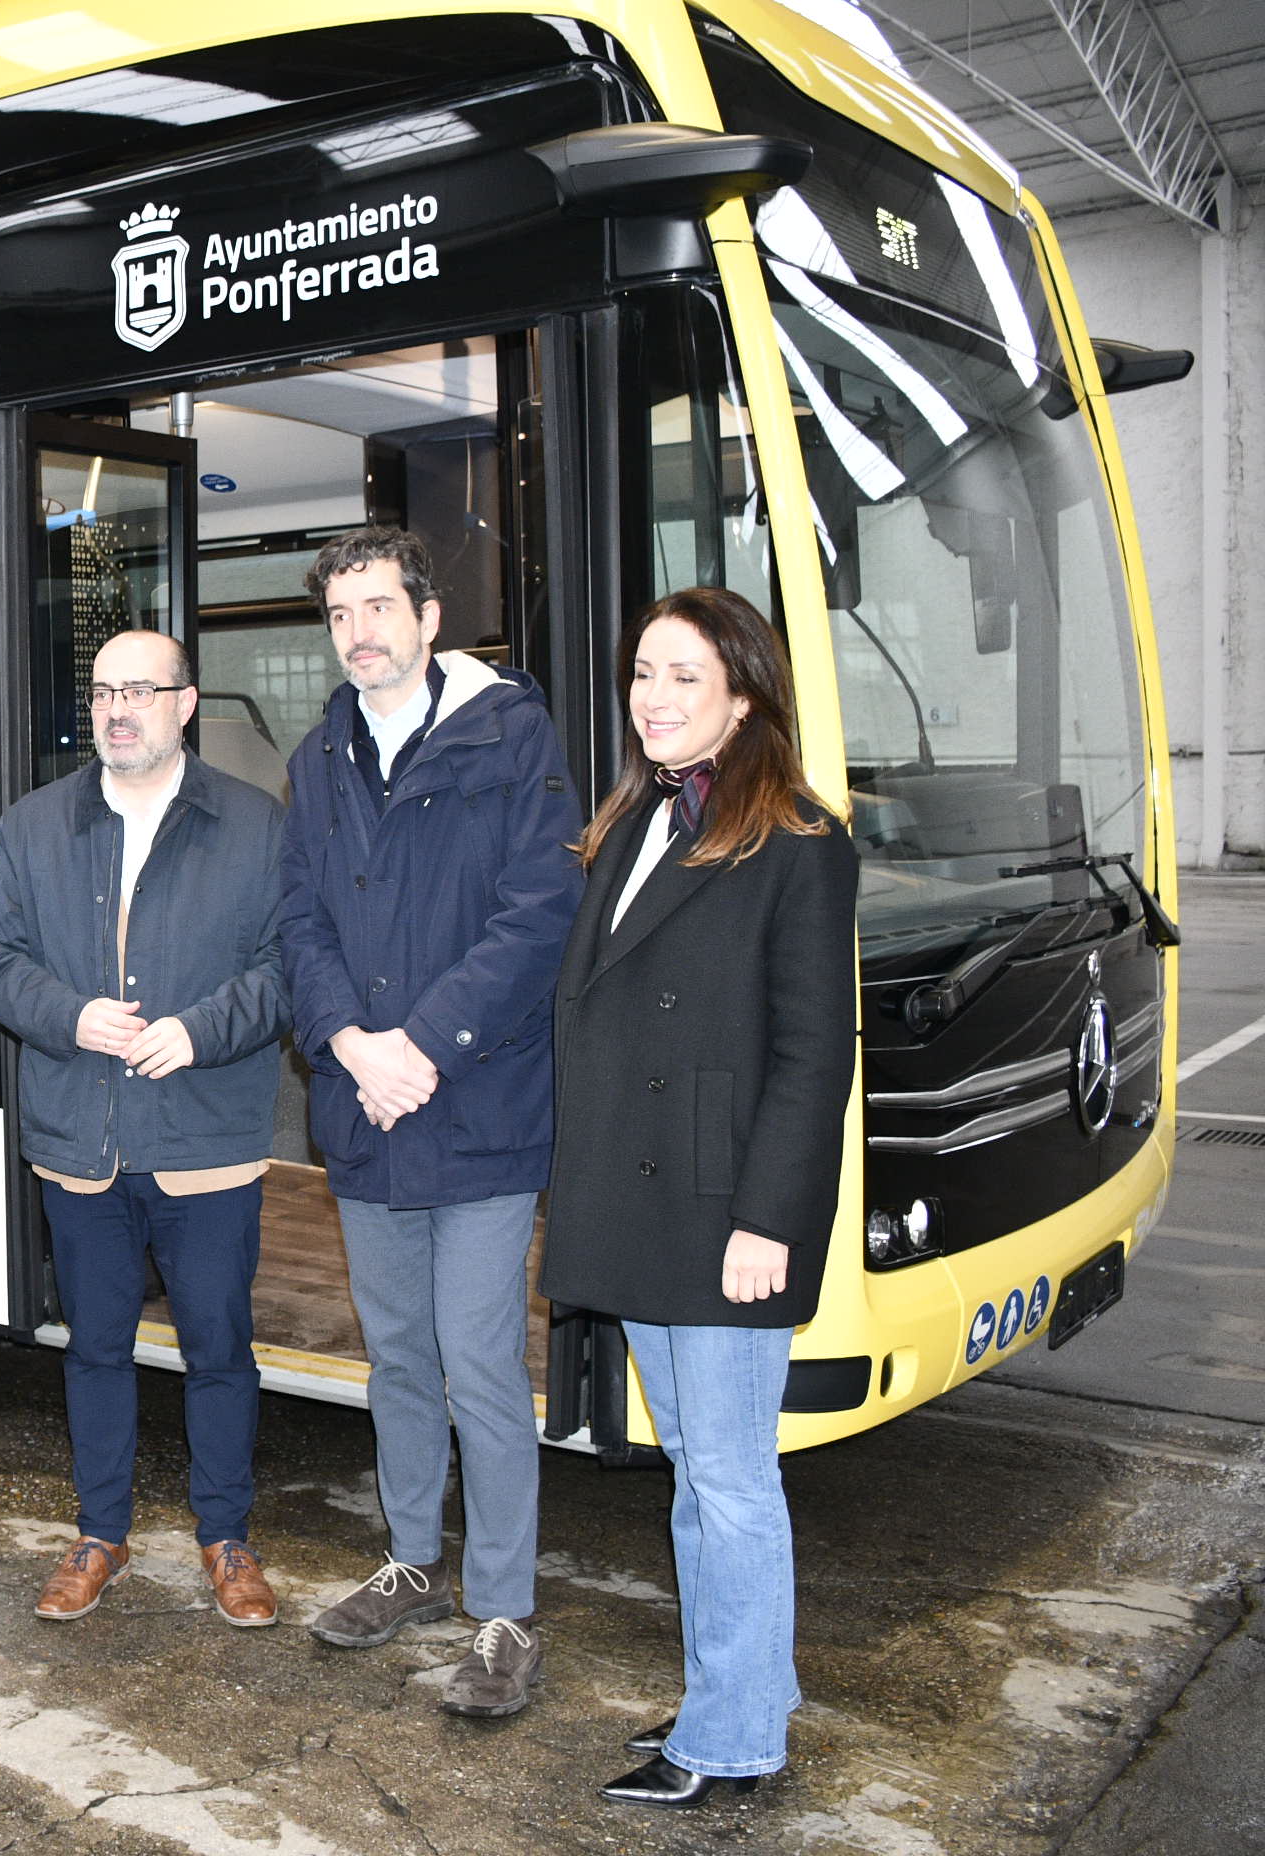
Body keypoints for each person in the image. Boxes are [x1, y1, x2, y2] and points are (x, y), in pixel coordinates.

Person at [539, 587, 857, 1807]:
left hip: (724, 1210)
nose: (654, 698)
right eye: (641, 675)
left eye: (682, 676)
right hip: (645, 1194)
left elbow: (814, 1052)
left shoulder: (801, 840)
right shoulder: (637, 820)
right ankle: (740, 1692)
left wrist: (766, 1218)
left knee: (727, 1481)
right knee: (701, 1477)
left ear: (744, 690)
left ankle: (731, 1738)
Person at [280, 527, 583, 1717]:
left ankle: (503, 1611)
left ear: (428, 614)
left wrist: (422, 1045)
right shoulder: (320, 756)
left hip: (482, 1103)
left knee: (480, 1360)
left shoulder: (513, 734)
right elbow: (298, 920)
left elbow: (537, 910)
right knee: (397, 1356)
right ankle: (411, 1556)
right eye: (340, 613)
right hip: (365, 1109)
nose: (359, 630)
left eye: (376, 606)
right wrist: (350, 1043)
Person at [0, 628, 290, 1627]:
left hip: (207, 1139)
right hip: (83, 1143)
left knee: (220, 1347)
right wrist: (68, 1014)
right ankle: (98, 1531)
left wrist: (200, 1030)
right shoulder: (35, 824)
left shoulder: (255, 825)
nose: (119, 708)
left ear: (187, 703)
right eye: (105, 690)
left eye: (141, 690)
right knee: (95, 1345)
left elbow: (289, 968)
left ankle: (226, 1537)